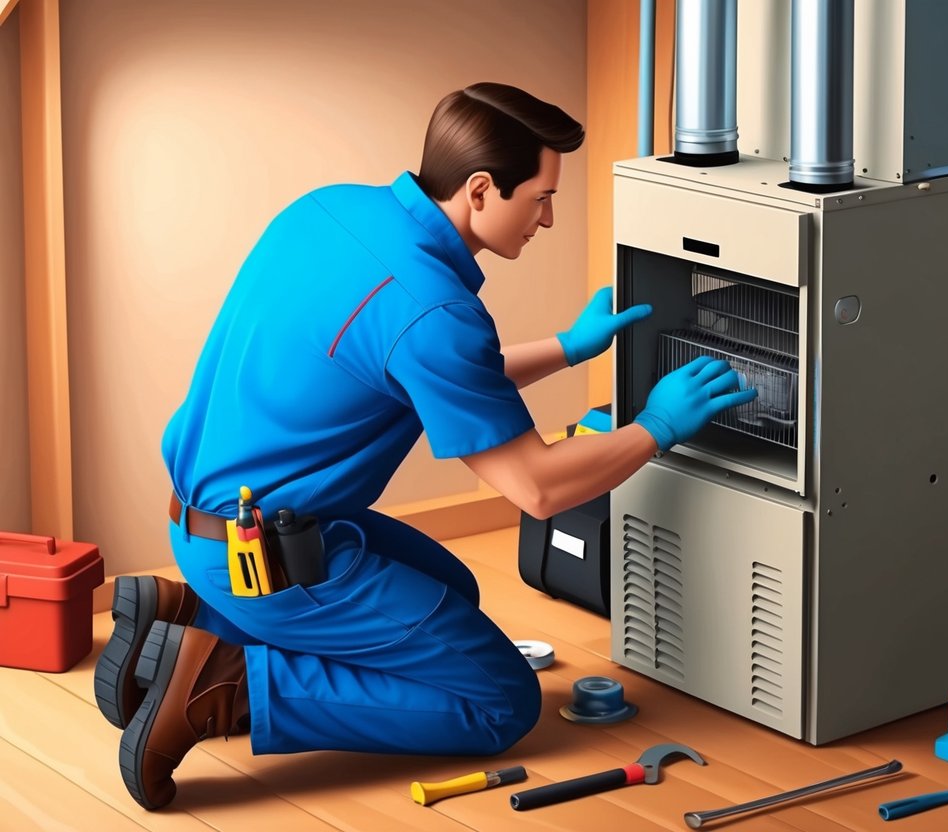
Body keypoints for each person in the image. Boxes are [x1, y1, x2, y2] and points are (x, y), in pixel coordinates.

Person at [94, 82, 756, 811]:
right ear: (480, 190)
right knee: (499, 701)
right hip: (263, 556)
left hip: (211, 522)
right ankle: (223, 685)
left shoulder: (331, 210)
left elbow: (428, 371)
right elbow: (537, 488)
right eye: (538, 198)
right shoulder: (434, 309)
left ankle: (186, 616)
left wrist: (568, 349)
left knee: (455, 593)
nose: (548, 218)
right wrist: (657, 426)